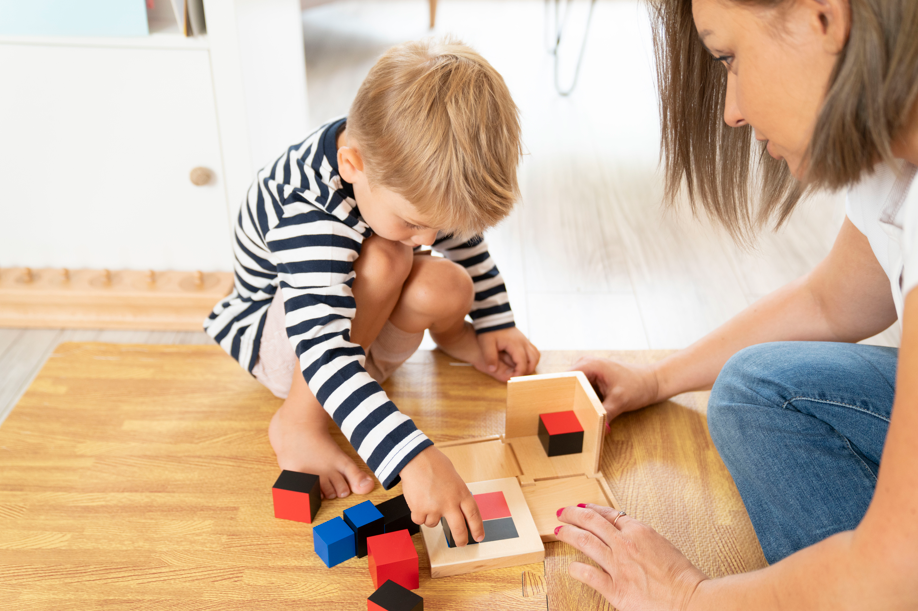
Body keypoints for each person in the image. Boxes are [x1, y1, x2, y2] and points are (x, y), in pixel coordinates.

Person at [554, 0, 918, 608]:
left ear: (822, 17)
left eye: (729, 57)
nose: (731, 112)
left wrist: (685, 596)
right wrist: (654, 380)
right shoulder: (895, 158)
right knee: (756, 383)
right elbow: (833, 302)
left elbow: (894, 573)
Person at [204, 37, 540, 547]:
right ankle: (297, 421)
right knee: (388, 257)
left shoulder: (398, 165)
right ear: (352, 165)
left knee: (444, 279)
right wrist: (413, 457)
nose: (431, 238)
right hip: (290, 348)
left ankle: (452, 338)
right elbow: (320, 345)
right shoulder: (311, 210)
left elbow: (460, 242)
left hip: (352, 330)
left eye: (438, 225)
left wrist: (496, 322)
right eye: (414, 220)